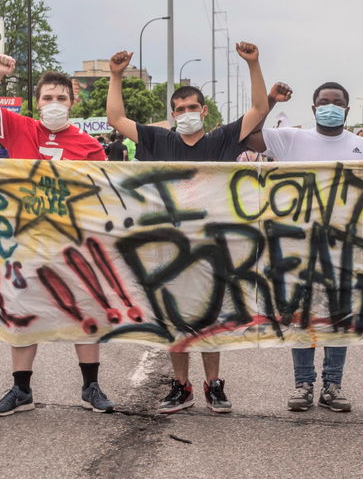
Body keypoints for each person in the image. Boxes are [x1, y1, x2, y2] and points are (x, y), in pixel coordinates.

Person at [106, 42, 269, 414]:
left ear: (204, 111)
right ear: (172, 114)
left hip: (214, 246)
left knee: (212, 317)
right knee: (174, 318)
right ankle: (181, 386)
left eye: (192, 107)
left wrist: (254, 65)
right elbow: (116, 119)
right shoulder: (158, 139)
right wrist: (115, 76)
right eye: (179, 109)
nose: (186, 114)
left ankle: (214, 385)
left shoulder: (220, 140)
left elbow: (259, 109)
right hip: (170, 247)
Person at [0, 54, 114, 416]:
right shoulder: (19, 128)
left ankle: (91, 386)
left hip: (73, 243)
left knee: (85, 312)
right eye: (48, 98)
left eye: (61, 98)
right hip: (26, 242)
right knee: (23, 314)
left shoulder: (90, 145)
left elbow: (105, 195)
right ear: (37, 102)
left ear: (73, 103)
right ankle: (22, 390)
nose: (54, 104)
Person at [246, 81, 363, 413]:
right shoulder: (291, 139)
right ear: (313, 109)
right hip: (299, 247)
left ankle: (332, 385)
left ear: (346, 110)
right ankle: (303, 383)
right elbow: (248, 135)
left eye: (337, 102)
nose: (330, 107)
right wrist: (269, 101)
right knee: (302, 316)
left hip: (344, 247)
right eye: (324, 102)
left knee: (339, 316)